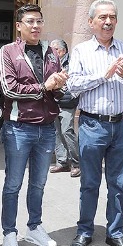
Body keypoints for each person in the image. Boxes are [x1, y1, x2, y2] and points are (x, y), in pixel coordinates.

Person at [66, 0, 123, 246]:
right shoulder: (81, 51)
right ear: (91, 22)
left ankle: (116, 232)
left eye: (112, 17)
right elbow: (73, 86)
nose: (108, 22)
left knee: (118, 183)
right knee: (89, 182)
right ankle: (84, 231)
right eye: (102, 17)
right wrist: (105, 75)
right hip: (92, 124)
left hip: (121, 125)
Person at [0, 4, 68, 246]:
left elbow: (56, 91)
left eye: (39, 21)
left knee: (39, 183)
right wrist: (44, 87)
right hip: (18, 127)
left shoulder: (51, 52)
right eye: (30, 21)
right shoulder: (8, 51)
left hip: (46, 128)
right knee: (13, 184)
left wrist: (60, 86)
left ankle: (34, 227)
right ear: (19, 26)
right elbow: (9, 89)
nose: (35, 26)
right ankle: (9, 233)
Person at [49, 39, 80, 177]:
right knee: (56, 132)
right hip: (53, 102)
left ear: (63, 51)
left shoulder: (72, 63)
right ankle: (62, 162)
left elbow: (74, 83)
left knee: (67, 131)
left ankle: (76, 163)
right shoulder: (51, 62)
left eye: (55, 49)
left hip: (67, 102)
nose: (52, 52)